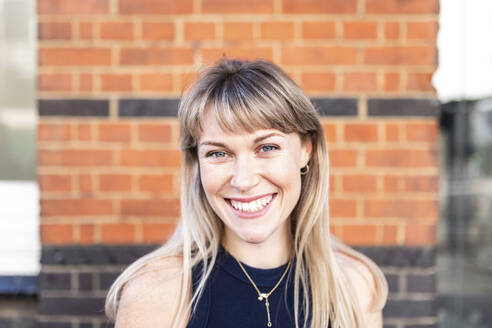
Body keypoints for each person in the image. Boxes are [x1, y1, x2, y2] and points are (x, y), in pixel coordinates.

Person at [105, 58, 388, 328]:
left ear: (306, 150)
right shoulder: (156, 294)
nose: (243, 180)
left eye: (267, 148)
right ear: (197, 163)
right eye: (218, 153)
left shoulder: (354, 288)